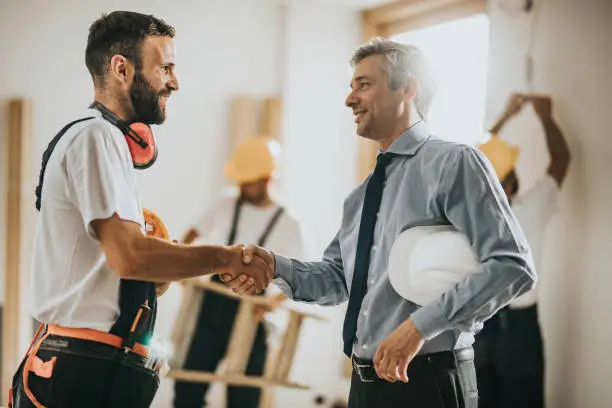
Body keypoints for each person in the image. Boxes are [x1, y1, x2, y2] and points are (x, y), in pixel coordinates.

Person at [223, 37, 536, 408]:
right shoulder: (362, 195)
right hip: (366, 386)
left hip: (427, 382)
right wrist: (276, 267)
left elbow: (512, 266)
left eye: (363, 84)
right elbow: (339, 279)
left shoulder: (454, 164)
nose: (349, 99)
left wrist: (421, 326)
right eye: (351, 86)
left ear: (408, 88)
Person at [9, 11, 266, 408]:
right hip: (82, 366)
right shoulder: (96, 136)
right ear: (120, 68)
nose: (174, 82)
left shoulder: (105, 141)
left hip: (95, 363)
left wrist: (153, 274)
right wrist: (226, 257)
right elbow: (129, 255)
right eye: (164, 67)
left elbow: (121, 263)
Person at [173, 136, 306, 408]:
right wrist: (184, 273)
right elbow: (189, 236)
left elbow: (299, 279)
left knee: (244, 399)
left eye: (250, 179)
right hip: (211, 312)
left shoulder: (290, 225)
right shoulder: (225, 205)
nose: (243, 185)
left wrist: (270, 304)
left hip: (251, 319)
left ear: (268, 177)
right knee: (187, 392)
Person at [475, 94, 571, 408]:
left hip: (518, 330)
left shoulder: (531, 208)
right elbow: (472, 162)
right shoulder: (468, 214)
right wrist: (504, 116)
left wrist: (545, 117)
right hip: (478, 324)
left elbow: (561, 160)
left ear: (511, 185)